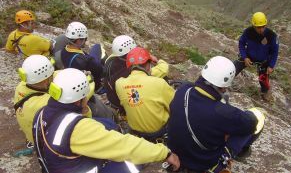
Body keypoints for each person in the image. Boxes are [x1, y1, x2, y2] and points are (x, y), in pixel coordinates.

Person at [32, 68, 180, 173]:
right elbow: (125, 146)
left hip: (58, 165)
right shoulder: (78, 128)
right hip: (78, 167)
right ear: (79, 100)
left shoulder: (41, 113)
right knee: (127, 164)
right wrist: (164, 153)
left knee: (106, 125)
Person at [167, 56, 265, 173]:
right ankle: (239, 152)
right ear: (224, 86)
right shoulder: (222, 112)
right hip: (203, 163)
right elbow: (251, 122)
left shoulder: (183, 91)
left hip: (176, 155)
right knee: (257, 117)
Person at [14, 55, 97, 144]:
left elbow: (55, 75)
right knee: (86, 108)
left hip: (32, 132)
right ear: (46, 81)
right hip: (47, 141)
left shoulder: (22, 86)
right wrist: (87, 82)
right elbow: (79, 97)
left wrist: (76, 74)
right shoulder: (47, 103)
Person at [115, 47, 175, 142]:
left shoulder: (119, 84)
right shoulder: (159, 83)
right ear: (148, 65)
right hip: (160, 132)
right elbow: (175, 106)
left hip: (136, 133)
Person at [104, 35, 169, 115]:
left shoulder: (110, 60)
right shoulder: (133, 70)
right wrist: (156, 60)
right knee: (163, 78)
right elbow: (163, 69)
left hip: (113, 99)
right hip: (125, 106)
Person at [234, 12, 279, 101]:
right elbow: (241, 43)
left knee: (264, 80)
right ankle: (223, 83)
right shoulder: (248, 32)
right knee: (233, 68)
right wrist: (245, 57)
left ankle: (264, 92)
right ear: (254, 26)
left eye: (263, 26)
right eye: (259, 27)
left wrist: (271, 65)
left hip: (264, 61)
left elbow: (275, 51)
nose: (261, 29)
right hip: (249, 56)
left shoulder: (272, 36)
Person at [60, 21, 104, 90]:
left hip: (73, 74)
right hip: (92, 85)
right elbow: (100, 70)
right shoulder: (85, 60)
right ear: (78, 40)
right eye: (85, 39)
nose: (85, 41)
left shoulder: (64, 50)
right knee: (98, 47)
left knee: (97, 48)